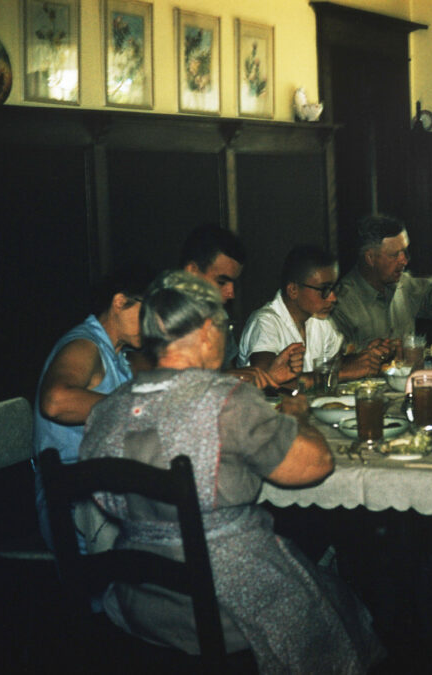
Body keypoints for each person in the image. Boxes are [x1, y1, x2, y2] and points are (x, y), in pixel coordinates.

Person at [78, 270, 383, 672]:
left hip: (138, 599)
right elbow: (314, 466)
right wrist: (297, 417)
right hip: (225, 598)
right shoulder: (226, 400)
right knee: (336, 601)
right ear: (207, 331)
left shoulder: (107, 410)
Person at [32, 264, 156, 552]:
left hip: (95, 486)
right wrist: (134, 406)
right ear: (119, 302)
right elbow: (54, 402)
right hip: (70, 500)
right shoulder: (84, 344)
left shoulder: (118, 354)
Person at [330, 213, 432, 349]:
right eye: (395, 255)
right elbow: (335, 362)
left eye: (405, 251)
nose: (404, 260)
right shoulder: (339, 303)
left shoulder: (403, 285)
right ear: (370, 258)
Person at [238, 245, 388, 385]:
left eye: (334, 289)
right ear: (293, 290)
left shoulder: (320, 321)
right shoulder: (265, 323)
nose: (333, 298)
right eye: (324, 289)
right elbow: (268, 381)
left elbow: (335, 363)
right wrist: (339, 374)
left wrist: (365, 357)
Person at [179, 224, 300, 387]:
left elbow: (229, 376)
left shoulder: (218, 317)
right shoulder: (157, 313)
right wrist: (223, 378)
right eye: (221, 282)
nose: (231, 293)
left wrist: (269, 376)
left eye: (233, 283)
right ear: (192, 271)